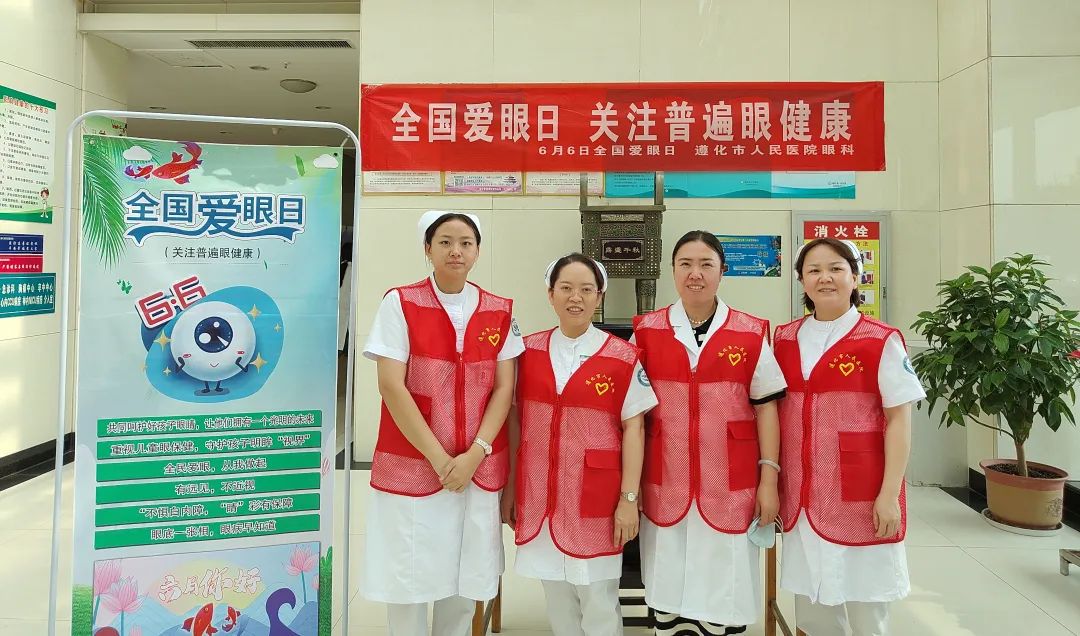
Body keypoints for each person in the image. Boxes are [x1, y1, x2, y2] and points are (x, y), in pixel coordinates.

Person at [360, 210, 524, 636]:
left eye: (466, 243)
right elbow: (391, 385)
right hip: (414, 464)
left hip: (476, 468)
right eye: (445, 242)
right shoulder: (401, 302)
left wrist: (475, 454)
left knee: (465, 578)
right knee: (409, 577)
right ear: (427, 249)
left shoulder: (499, 310)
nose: (456, 251)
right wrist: (440, 460)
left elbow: (504, 388)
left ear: (478, 251)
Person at [633, 231, 787, 635]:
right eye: (685, 264)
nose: (695, 273)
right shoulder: (646, 331)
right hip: (665, 477)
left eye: (706, 264)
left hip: (731, 480)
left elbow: (767, 408)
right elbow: (631, 416)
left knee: (724, 580)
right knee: (668, 576)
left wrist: (769, 478)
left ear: (723, 271)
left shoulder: (750, 331)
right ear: (672, 270)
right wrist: (629, 487)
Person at [774, 238, 925, 636]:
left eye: (836, 269)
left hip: (861, 492)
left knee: (866, 601)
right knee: (813, 603)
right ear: (801, 281)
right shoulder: (785, 339)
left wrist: (889, 494)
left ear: (855, 277)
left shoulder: (880, 339)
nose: (825, 278)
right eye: (814, 270)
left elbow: (899, 419)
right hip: (803, 494)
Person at [502, 253, 657, 636]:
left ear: (599, 296)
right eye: (566, 288)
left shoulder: (622, 357)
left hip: (597, 498)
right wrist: (511, 487)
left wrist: (629, 499)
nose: (576, 297)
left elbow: (634, 429)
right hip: (542, 495)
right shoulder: (528, 353)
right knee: (556, 594)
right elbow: (515, 420)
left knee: (598, 597)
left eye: (587, 289)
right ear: (550, 294)